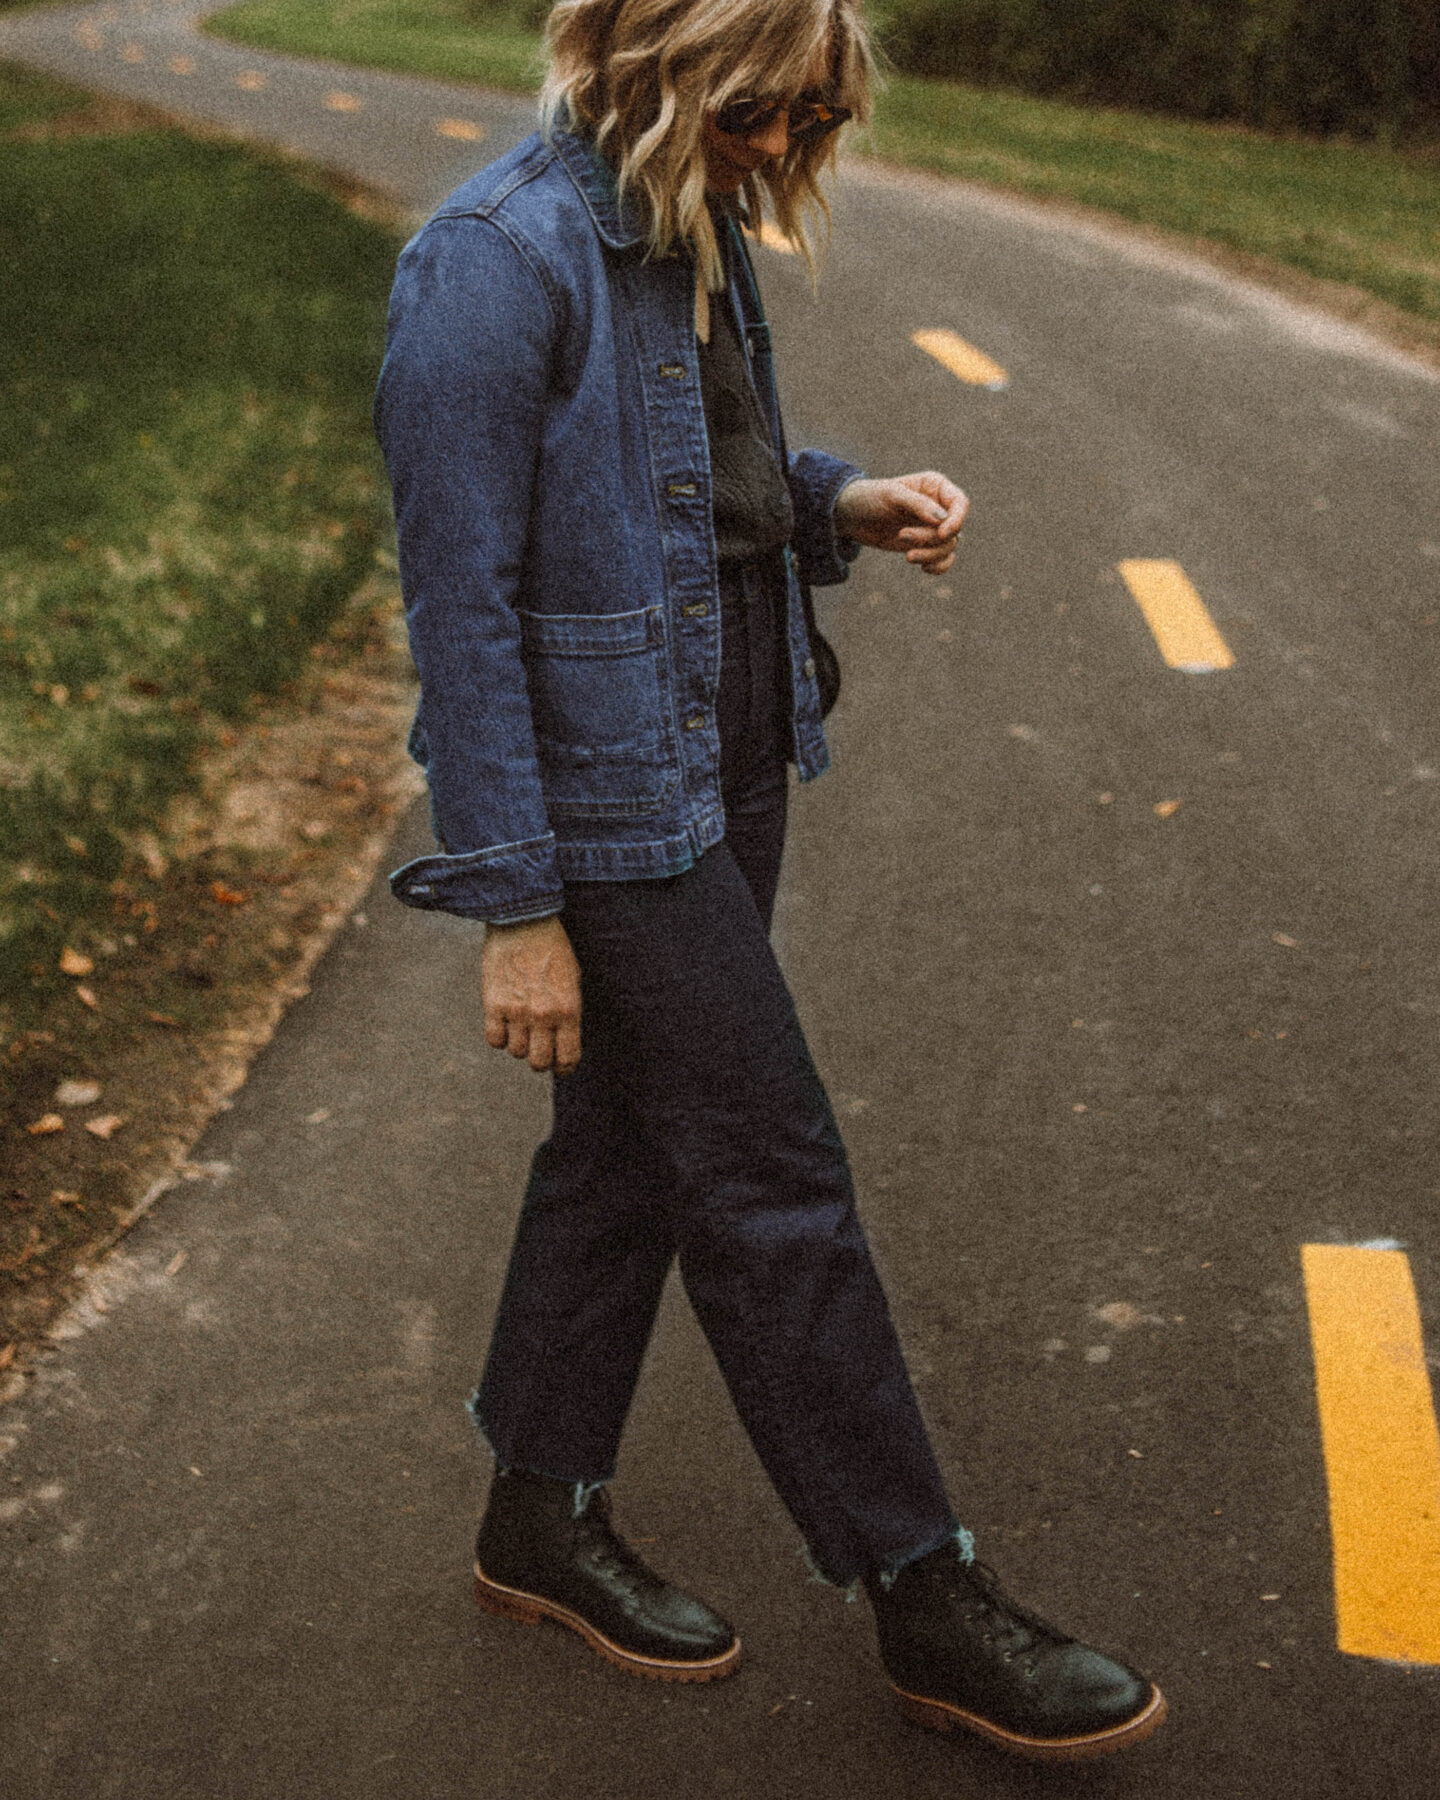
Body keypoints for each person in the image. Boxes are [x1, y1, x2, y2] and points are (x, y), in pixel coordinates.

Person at [375, 0, 1166, 1762]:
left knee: (630, 1152)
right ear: (648, 70)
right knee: (769, 1169)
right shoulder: (490, 269)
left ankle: (538, 1514)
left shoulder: (690, 228)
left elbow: (688, 483)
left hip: (731, 749)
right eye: (761, 122)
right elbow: (466, 623)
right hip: (613, 809)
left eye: (812, 126)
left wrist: (839, 505)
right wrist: (516, 908)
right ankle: (922, 1589)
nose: (787, 160)